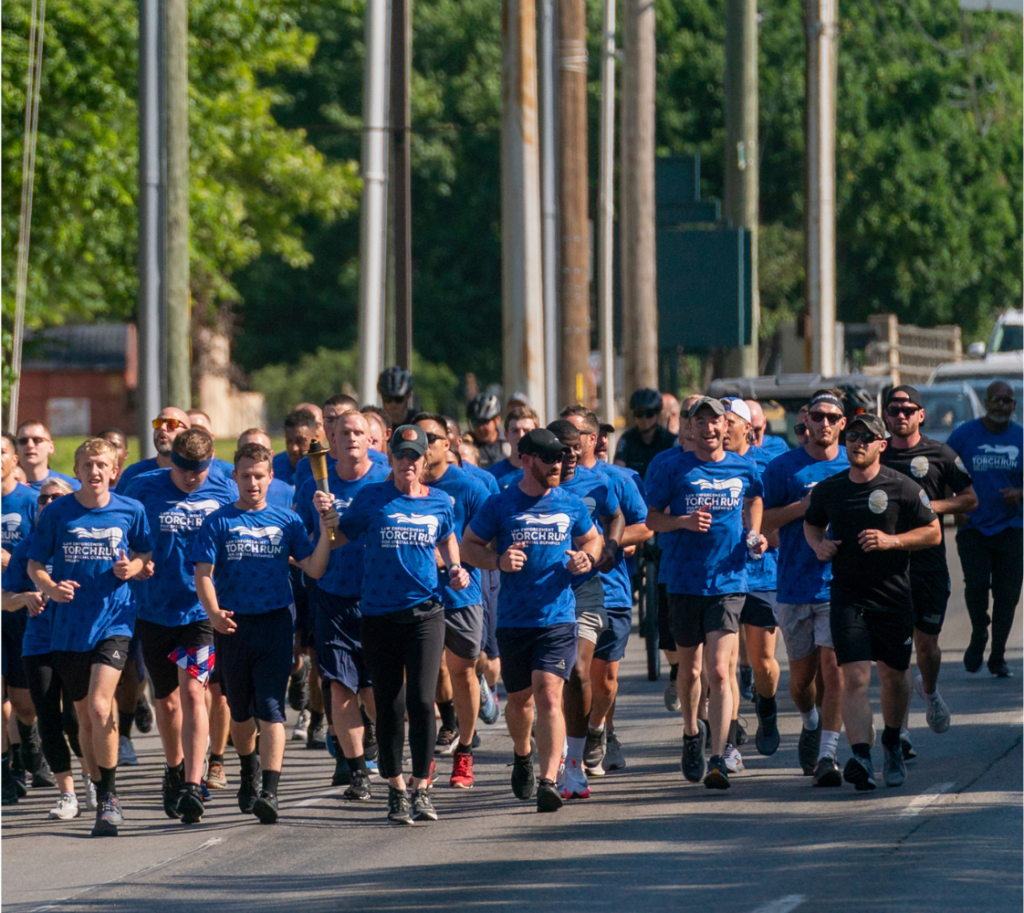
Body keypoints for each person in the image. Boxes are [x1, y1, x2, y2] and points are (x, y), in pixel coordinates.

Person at [328, 425, 470, 825]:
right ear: (389, 458)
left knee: (423, 701)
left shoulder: (441, 501)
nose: (408, 463)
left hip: (426, 612)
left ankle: (422, 786)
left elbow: (447, 538)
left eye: (414, 456)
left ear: (425, 461)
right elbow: (341, 535)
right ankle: (395, 789)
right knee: (390, 705)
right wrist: (327, 521)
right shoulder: (372, 498)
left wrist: (456, 568)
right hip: (378, 613)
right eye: (401, 455)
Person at [192, 442, 336, 825]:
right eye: (246, 476)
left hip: (274, 622)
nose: (252, 483)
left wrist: (324, 532)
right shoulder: (218, 521)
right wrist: (214, 613)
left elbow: (315, 568)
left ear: (271, 478)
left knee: (271, 708)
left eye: (260, 476)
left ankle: (270, 791)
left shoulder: (286, 521)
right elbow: (202, 575)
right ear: (235, 477)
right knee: (240, 712)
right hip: (233, 624)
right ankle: (248, 768)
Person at [462, 429, 603, 813]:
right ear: (525, 459)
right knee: (521, 702)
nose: (557, 465)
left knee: (550, 694)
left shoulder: (571, 504)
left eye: (560, 458)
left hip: (557, 615)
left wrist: (585, 558)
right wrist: (498, 561)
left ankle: (548, 780)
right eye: (548, 459)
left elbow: (593, 540)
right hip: (514, 619)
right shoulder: (501, 504)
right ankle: (523, 753)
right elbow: (468, 545)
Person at [804, 412, 941, 790]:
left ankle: (892, 742)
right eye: (853, 436)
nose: (858, 442)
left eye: (867, 437)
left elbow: (933, 533)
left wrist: (893, 541)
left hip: (894, 595)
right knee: (854, 678)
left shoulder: (903, 487)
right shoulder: (830, 489)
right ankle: (861, 757)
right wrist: (819, 545)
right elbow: (811, 521)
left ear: (882, 444)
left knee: (895, 677)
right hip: (848, 595)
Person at [27, 438, 153, 837]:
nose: (95, 471)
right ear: (76, 471)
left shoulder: (131, 509)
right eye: (87, 465)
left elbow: (145, 554)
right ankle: (98, 785)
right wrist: (49, 588)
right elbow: (33, 565)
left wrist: (132, 567)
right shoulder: (58, 513)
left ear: (114, 471)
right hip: (68, 629)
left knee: (100, 708)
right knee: (82, 717)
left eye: (102, 465)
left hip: (114, 621)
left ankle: (110, 798)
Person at [645, 397, 766, 791]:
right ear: (691, 428)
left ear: (727, 427)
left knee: (718, 670)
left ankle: (718, 755)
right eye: (702, 422)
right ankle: (690, 734)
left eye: (717, 422)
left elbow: (755, 498)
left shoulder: (743, 466)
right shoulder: (672, 468)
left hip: (728, 581)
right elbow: (651, 519)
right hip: (682, 581)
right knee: (691, 670)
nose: (711, 429)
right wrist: (681, 521)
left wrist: (753, 533)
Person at [122, 427, 238, 823]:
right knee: (167, 702)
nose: (191, 477)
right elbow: (124, 536)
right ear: (171, 460)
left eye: (199, 470)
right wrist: (136, 563)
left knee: (193, 692)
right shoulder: (142, 488)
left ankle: (193, 782)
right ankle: (173, 771)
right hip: (154, 607)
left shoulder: (223, 489)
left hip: (199, 610)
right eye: (184, 468)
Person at [294, 411, 389, 801]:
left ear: (371, 440)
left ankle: (387, 748)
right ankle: (357, 773)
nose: (351, 438)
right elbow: (298, 542)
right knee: (338, 687)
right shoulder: (312, 486)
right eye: (343, 432)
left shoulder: (384, 481)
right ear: (331, 441)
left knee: (375, 691)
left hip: (379, 597)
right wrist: (320, 521)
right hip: (332, 596)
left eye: (358, 433)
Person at [880, 385, 976, 747]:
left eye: (908, 409)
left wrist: (930, 507)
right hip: (888, 569)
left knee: (927, 649)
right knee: (896, 654)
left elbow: (970, 498)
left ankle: (930, 691)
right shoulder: (877, 455)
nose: (900, 415)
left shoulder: (940, 454)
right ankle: (900, 732)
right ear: (886, 415)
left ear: (921, 414)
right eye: (894, 409)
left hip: (929, 566)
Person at [761, 390, 848, 786]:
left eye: (832, 417)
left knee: (834, 669)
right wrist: (804, 506)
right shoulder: (783, 468)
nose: (824, 423)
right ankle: (810, 720)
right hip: (795, 584)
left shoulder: (853, 464)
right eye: (817, 416)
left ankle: (828, 753)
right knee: (801, 682)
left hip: (839, 586)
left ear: (842, 424)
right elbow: (763, 524)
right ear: (806, 422)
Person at [561, 407, 651, 777]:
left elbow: (644, 527)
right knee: (575, 674)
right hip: (562, 593)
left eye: (575, 433)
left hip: (610, 590)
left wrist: (607, 545)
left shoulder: (617, 478)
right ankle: (574, 745)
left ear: (593, 439)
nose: (567, 440)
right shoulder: (548, 480)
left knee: (605, 679)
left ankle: (599, 728)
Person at [3, 477, 89, 819]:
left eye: (57, 497)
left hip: (79, 640)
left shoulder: (84, 541)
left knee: (77, 717)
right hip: (38, 642)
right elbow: (3, 598)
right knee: (49, 718)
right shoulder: (26, 548)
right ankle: (67, 794)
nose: (48, 503)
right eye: (43, 499)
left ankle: (93, 780)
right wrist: (23, 597)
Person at [413, 413, 491, 788]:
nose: (425, 445)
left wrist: (453, 557)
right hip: (413, 599)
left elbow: (491, 543)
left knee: (462, 674)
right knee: (422, 681)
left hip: (461, 595)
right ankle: (424, 758)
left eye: (433, 437)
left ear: (449, 443)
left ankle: (465, 752)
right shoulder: (399, 486)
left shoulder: (470, 487)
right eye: (418, 438)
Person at [547, 420, 623, 799]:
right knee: (544, 685)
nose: (572, 454)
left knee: (578, 671)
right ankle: (543, 753)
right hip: (540, 595)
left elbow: (615, 514)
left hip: (585, 590)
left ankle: (574, 762)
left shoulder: (595, 483)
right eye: (563, 447)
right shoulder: (526, 489)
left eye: (576, 446)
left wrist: (610, 547)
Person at [947, 380, 1023, 678]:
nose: (1001, 405)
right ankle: (980, 631)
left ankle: (998, 656)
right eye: (996, 399)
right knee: (977, 586)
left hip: (1012, 528)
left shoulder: (1020, 437)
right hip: (973, 528)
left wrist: (1021, 495)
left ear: (1013, 406)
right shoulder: (964, 435)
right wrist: (954, 504)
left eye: (1007, 401)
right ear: (986, 402)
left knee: (1008, 595)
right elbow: (941, 470)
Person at [722, 399, 782, 771]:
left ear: (747, 428)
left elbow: (779, 516)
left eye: (729, 422)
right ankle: (726, 740)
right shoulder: (706, 465)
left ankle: (768, 705)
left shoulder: (768, 466)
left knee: (763, 663)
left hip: (761, 574)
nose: (722, 428)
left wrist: (763, 536)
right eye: (718, 421)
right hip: (721, 578)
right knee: (723, 664)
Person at [116, 408, 192, 491]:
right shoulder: (134, 474)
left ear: (188, 433)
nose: (162, 428)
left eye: (171, 424)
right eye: (158, 424)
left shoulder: (200, 473)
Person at [615, 388, 677, 480]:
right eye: (639, 413)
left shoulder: (670, 440)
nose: (644, 419)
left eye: (649, 413)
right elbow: (618, 472)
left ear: (657, 414)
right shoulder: (627, 439)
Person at [14, 420, 78, 494]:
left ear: (50, 447)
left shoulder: (70, 487)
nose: (30, 445)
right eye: (23, 441)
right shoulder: (6, 487)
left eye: (37, 440)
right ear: (16, 448)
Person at [237, 429, 295, 510]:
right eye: (246, 451)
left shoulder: (287, 493)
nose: (252, 455)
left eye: (260, 451)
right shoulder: (226, 490)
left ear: (271, 455)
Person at [2, 432, 36, 569]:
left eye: (2, 452)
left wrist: (12, 562)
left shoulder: (34, 501)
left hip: (20, 587)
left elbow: (48, 557)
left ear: (14, 460)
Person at [487, 406, 539, 489]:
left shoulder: (545, 472)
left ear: (537, 435)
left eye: (526, 431)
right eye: (515, 431)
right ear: (506, 436)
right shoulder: (492, 476)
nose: (521, 436)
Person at [275, 408, 322, 486]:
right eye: (289, 441)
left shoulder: (328, 468)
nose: (294, 448)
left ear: (315, 438)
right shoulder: (274, 467)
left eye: (300, 441)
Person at [466, 394, 511, 469]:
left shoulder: (509, 441)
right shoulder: (468, 444)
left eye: (484, 421)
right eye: (475, 422)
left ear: (497, 420)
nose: (480, 428)